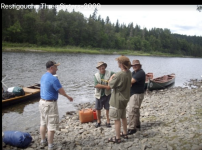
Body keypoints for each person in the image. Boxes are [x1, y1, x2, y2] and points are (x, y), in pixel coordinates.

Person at [39, 60, 73, 150]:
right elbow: (61, 91)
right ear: (51, 68)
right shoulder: (54, 79)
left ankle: (43, 141)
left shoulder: (43, 76)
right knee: (52, 125)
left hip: (41, 102)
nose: (57, 69)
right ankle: (50, 145)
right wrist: (68, 97)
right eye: (56, 67)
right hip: (50, 104)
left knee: (43, 122)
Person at [107, 55, 132, 143]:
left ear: (121, 64)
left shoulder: (119, 74)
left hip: (117, 100)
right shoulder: (129, 72)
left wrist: (111, 77)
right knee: (123, 117)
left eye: (118, 62)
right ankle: (125, 133)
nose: (117, 63)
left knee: (116, 120)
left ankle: (117, 138)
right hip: (125, 99)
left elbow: (110, 85)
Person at [94, 61, 115, 128]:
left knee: (107, 108)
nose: (101, 68)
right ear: (98, 68)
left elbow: (117, 75)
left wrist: (111, 79)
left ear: (105, 67)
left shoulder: (110, 73)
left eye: (102, 66)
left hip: (107, 94)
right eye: (100, 67)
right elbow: (96, 85)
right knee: (98, 109)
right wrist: (107, 87)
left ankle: (108, 121)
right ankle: (98, 121)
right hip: (98, 95)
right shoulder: (96, 75)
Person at [127, 60, 145, 135]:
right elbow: (129, 81)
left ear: (140, 66)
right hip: (134, 93)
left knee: (132, 110)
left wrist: (129, 82)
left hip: (137, 94)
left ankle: (132, 128)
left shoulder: (140, 73)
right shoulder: (134, 73)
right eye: (133, 65)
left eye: (136, 65)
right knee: (136, 110)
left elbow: (131, 81)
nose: (134, 66)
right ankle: (137, 124)